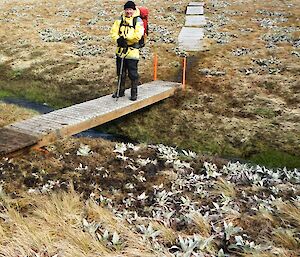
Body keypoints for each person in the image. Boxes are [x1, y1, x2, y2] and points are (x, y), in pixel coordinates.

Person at [110, 1, 144, 101]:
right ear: (124, 10)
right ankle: (120, 91)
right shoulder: (119, 19)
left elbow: (138, 35)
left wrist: (126, 39)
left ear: (134, 10)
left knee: (133, 74)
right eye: (127, 9)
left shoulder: (138, 20)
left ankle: (134, 93)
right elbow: (113, 32)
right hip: (120, 51)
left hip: (132, 51)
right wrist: (118, 39)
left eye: (130, 9)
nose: (128, 11)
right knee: (120, 72)